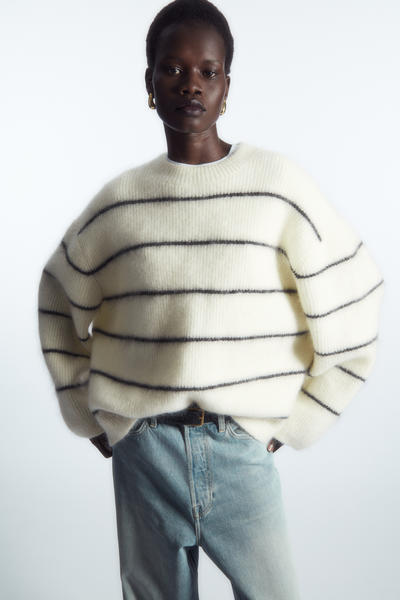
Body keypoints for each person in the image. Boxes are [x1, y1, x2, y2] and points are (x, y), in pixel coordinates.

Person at [37, 1, 385, 598]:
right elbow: (56, 299)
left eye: (208, 70)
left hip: (240, 447)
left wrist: (298, 422)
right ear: (150, 85)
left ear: (227, 87)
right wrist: (85, 414)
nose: (191, 84)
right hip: (145, 449)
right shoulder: (121, 202)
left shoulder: (276, 187)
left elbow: (356, 302)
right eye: (172, 69)